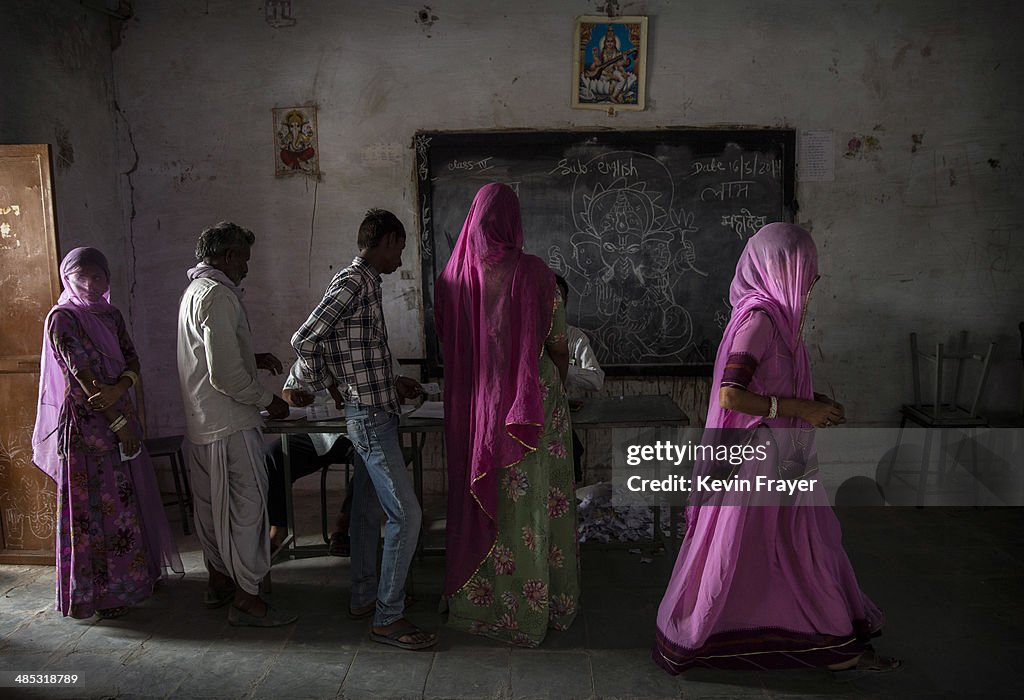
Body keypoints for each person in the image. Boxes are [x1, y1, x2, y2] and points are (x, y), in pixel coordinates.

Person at [653, 223, 900, 673]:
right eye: (807, 276)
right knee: (767, 552)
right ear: (779, 270)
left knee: (791, 548)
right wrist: (796, 410)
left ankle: (818, 637)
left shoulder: (778, 323)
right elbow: (732, 394)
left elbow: (770, 385)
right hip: (758, 460)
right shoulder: (759, 321)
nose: (811, 286)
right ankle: (823, 643)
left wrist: (810, 404)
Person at [435, 183, 581, 647]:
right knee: (535, 505)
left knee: (487, 501)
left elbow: (451, 351)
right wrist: (551, 381)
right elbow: (558, 344)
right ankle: (539, 607)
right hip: (530, 408)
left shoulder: (451, 280)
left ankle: (477, 604)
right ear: (514, 220)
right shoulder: (537, 274)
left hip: (476, 409)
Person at [291, 208, 436, 650]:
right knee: (407, 516)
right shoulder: (354, 281)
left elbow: (352, 349)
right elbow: (306, 339)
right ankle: (387, 616)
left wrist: (388, 381)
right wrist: (327, 383)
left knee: (368, 511)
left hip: (376, 408)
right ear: (388, 240)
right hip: (369, 417)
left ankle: (364, 595)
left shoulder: (367, 284)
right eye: (401, 249)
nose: (400, 259)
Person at [32, 247, 182, 619]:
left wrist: (122, 389)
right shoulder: (62, 319)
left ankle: (135, 579)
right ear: (68, 278)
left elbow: (132, 359)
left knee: (127, 501)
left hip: (120, 414)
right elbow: (84, 378)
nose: (91, 283)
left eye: (98, 276)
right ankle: (100, 594)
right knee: (95, 510)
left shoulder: (111, 315)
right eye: (82, 276)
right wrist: (117, 419)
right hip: (88, 428)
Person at [176, 221, 296, 627]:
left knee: (211, 511)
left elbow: (210, 355)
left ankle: (220, 582)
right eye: (244, 258)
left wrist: (252, 356)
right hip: (230, 425)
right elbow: (224, 376)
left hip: (202, 424)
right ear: (228, 257)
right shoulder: (219, 296)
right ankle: (247, 597)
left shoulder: (194, 291)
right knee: (248, 510)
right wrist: (269, 401)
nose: (247, 267)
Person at [264, 360, 355, 556]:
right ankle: (278, 528)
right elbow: (287, 392)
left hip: (356, 434)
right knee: (274, 456)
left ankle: (342, 527)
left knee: (371, 463)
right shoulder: (310, 356)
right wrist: (293, 397)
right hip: (318, 434)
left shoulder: (369, 348)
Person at [554, 274, 605, 483]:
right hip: (530, 423)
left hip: (560, 421)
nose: (553, 303)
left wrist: (564, 367)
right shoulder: (521, 337)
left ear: (565, 303)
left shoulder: (573, 337)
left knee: (571, 455)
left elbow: (596, 380)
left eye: (559, 298)